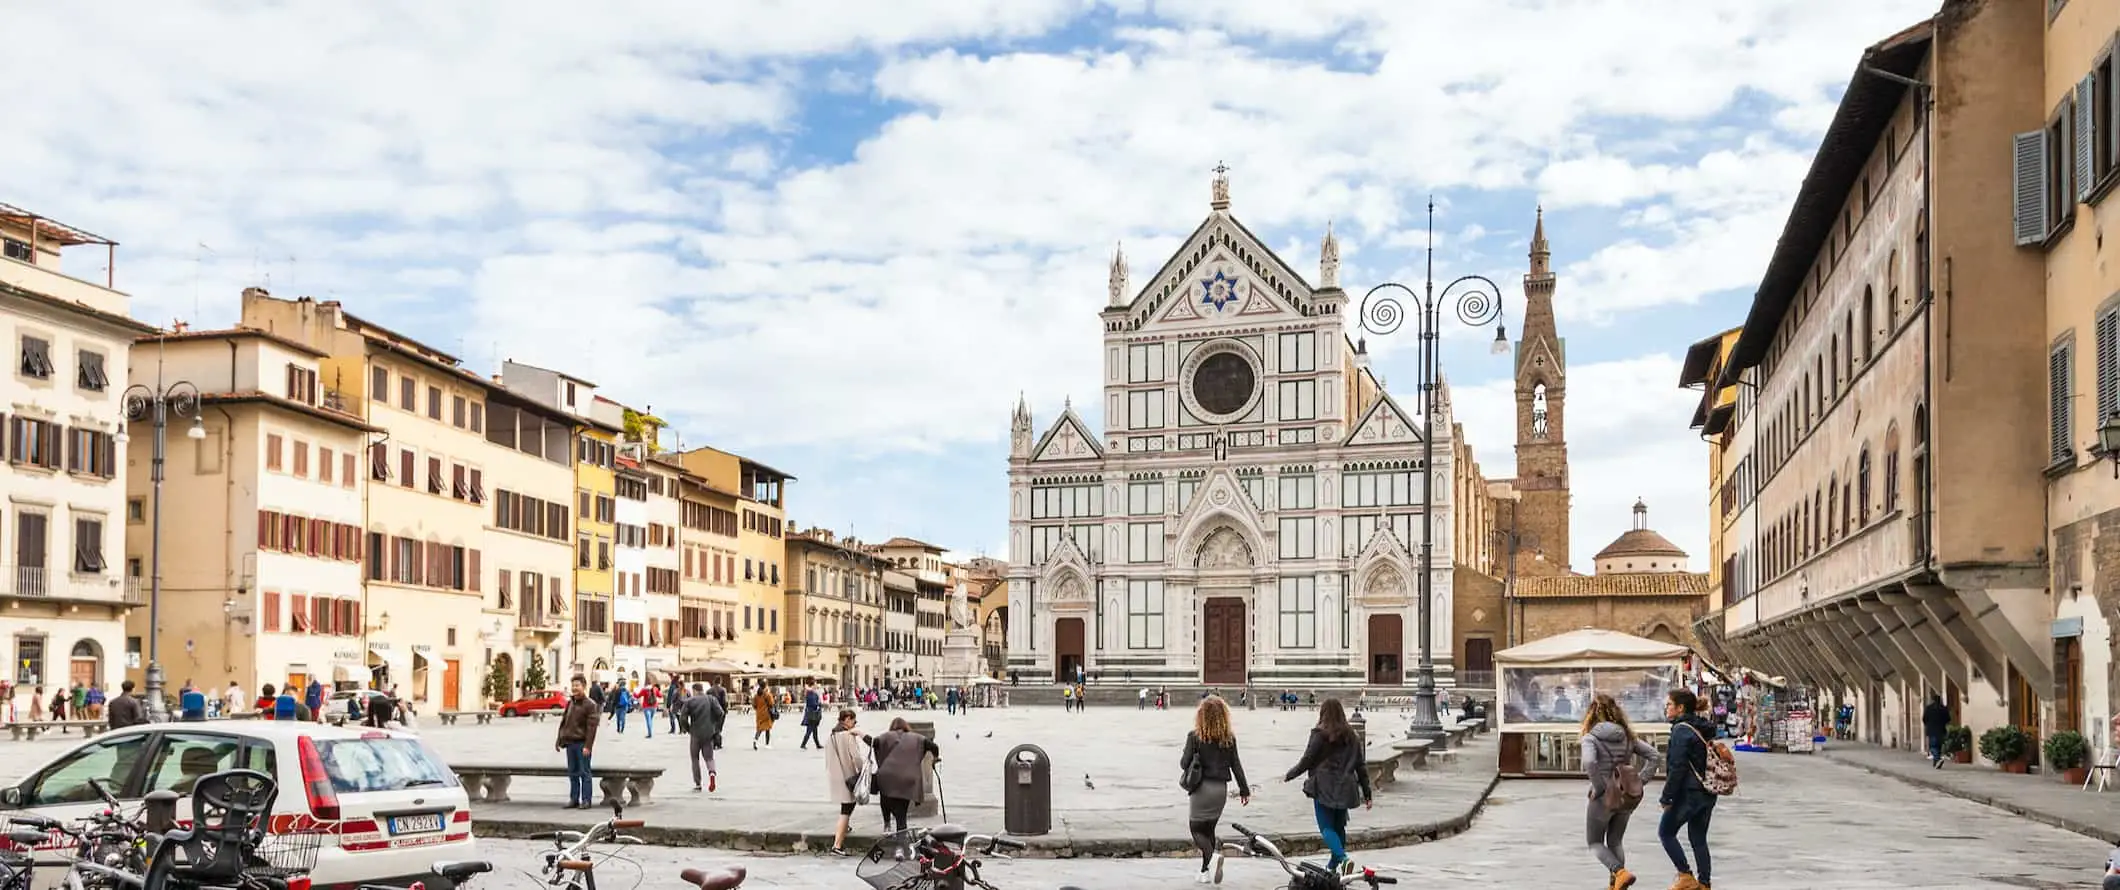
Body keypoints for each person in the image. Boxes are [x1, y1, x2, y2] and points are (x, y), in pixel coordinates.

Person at [1283, 697, 1370, 877]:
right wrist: (1367, 793)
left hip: (1324, 785)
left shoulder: (1319, 734)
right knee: (1339, 828)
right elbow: (1361, 766)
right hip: (1346, 785)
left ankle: (1344, 859)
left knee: (1326, 827)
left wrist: (1291, 774)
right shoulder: (1351, 735)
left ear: (1323, 713)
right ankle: (1332, 867)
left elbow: (1308, 759)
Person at [1581, 692, 1659, 890]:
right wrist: (1640, 781)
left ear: (1592, 714)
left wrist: (1599, 788)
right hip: (1625, 796)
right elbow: (1654, 756)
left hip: (1603, 798)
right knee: (1615, 841)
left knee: (1595, 843)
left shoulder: (1591, 738)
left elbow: (1589, 762)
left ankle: (1619, 872)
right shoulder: (1627, 736)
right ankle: (1615, 884)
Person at [1182, 695, 1250, 884]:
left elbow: (1183, 763)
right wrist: (1244, 790)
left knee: (1196, 830)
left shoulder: (1194, 736)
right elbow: (1237, 766)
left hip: (1201, 789)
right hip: (1220, 789)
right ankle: (1204, 872)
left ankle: (1214, 856)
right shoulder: (1229, 738)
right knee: (1209, 830)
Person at [1658, 689, 1719, 890]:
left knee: (1666, 832)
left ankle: (1685, 875)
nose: (1666, 708)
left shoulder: (1681, 730)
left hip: (1689, 792)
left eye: (1669, 704)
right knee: (1698, 839)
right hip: (1708, 792)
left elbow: (1678, 767)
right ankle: (1704, 883)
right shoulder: (1702, 727)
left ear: (1680, 708)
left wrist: (1667, 797)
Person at [872, 717, 940, 835]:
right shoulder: (918, 738)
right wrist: (935, 758)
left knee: (885, 797)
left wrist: (881, 761)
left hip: (887, 775)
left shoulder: (885, 736)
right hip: (906, 779)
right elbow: (934, 747)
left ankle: (887, 824)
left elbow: (874, 743)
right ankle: (901, 833)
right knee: (901, 811)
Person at [825, 709, 872, 857]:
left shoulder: (830, 736)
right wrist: (862, 771)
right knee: (846, 809)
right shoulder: (848, 736)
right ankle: (837, 845)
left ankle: (845, 827)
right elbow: (856, 758)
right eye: (853, 721)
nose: (854, 724)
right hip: (849, 776)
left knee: (846, 807)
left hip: (836, 776)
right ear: (846, 719)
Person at [556, 675, 600, 810]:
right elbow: (564, 722)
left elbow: (592, 728)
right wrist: (559, 739)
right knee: (573, 773)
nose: (575, 688)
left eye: (577, 685)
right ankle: (574, 799)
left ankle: (586, 800)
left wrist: (588, 746)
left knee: (584, 773)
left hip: (582, 743)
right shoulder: (571, 703)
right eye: (573, 685)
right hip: (570, 743)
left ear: (584, 687)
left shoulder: (590, 705)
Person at [680, 682, 726, 792]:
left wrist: (688, 728)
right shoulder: (711, 699)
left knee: (695, 758)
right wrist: (715, 727)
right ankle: (712, 773)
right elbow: (721, 713)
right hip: (709, 733)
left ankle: (698, 784)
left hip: (695, 733)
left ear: (694, 690)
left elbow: (682, 718)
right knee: (709, 757)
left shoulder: (690, 701)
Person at [1921, 693, 1950, 768]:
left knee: (1933, 747)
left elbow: (1924, 719)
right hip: (1941, 730)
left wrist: (1928, 725)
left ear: (1932, 700)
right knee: (1938, 747)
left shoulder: (1928, 708)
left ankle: (1937, 759)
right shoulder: (1943, 708)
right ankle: (1936, 763)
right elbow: (1948, 719)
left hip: (1932, 730)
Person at [799, 680, 825, 749]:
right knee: (810, 730)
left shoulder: (812, 693)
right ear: (812, 685)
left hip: (813, 714)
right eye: (815, 684)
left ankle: (817, 744)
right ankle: (803, 744)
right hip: (812, 714)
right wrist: (820, 704)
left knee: (814, 730)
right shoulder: (811, 693)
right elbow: (813, 704)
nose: (816, 685)